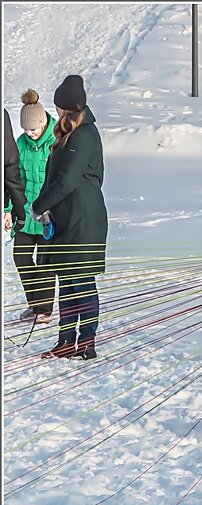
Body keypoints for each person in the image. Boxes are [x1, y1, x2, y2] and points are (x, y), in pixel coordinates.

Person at [31, 75, 107, 361]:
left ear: (67, 108)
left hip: (83, 221)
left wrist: (39, 206)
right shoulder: (68, 134)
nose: (57, 112)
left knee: (82, 282)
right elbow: (54, 178)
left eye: (59, 107)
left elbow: (67, 181)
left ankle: (87, 342)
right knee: (67, 280)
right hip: (66, 219)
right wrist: (44, 206)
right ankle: (65, 340)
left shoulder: (85, 135)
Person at [11, 89, 57, 325]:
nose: (31, 133)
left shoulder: (57, 140)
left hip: (49, 213)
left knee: (45, 261)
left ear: (43, 122)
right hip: (27, 212)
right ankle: (35, 305)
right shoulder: (21, 144)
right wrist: (10, 208)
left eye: (34, 129)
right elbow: (14, 179)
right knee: (21, 256)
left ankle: (45, 309)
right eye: (27, 130)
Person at [4, 108, 28, 247]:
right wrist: (14, 210)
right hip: (24, 212)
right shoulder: (21, 143)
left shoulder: (52, 144)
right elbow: (10, 170)